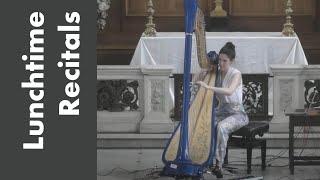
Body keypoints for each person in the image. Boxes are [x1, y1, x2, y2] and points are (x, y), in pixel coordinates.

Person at [197, 42, 249, 178]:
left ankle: (218, 165)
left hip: (237, 113)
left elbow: (229, 91)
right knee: (204, 122)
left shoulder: (236, 74)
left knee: (221, 127)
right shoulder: (216, 72)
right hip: (222, 111)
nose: (221, 63)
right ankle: (203, 158)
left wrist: (208, 88)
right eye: (219, 60)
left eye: (224, 61)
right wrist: (203, 71)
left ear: (232, 61)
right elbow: (195, 81)